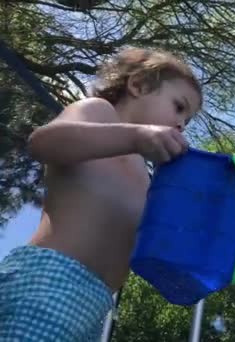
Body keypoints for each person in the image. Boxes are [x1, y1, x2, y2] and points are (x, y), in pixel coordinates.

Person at [0, 47, 202, 341]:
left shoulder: (146, 178)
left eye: (189, 120)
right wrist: (135, 135)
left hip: (95, 306)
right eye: (179, 107)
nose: (182, 124)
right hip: (51, 280)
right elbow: (44, 142)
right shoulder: (98, 112)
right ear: (139, 85)